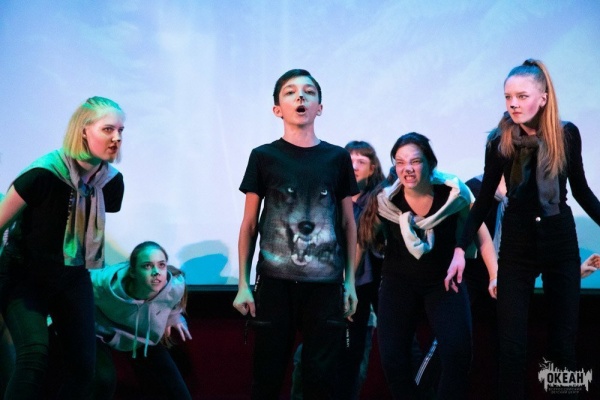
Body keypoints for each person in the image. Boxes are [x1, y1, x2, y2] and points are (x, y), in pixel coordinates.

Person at [447, 59, 600, 400]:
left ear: (543, 98)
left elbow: (581, 190)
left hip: (559, 239)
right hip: (517, 245)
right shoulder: (499, 140)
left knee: (563, 346)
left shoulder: (566, 134)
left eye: (521, 96)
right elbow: (483, 200)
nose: (513, 103)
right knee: (512, 347)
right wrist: (459, 248)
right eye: (508, 97)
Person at [232, 69, 359, 399]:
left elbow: (348, 224)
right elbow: (249, 224)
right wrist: (243, 284)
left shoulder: (337, 157)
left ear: (320, 107)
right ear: (277, 109)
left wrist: (349, 282)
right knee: (267, 376)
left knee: (322, 380)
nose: (300, 96)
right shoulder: (264, 156)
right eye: (290, 92)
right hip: (275, 283)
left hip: (325, 285)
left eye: (309, 91)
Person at [0, 96, 125, 399]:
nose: (117, 138)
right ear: (83, 130)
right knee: (33, 356)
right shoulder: (43, 174)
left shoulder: (111, 182)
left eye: (121, 130)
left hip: (71, 276)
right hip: (23, 275)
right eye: (108, 129)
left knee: (85, 369)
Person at [359, 132, 498, 399]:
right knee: (393, 358)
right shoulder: (387, 200)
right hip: (398, 282)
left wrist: (494, 274)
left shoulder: (453, 192)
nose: (407, 169)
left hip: (443, 281)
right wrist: (348, 283)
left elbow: (480, 233)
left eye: (415, 161)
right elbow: (362, 239)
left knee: (458, 352)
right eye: (400, 162)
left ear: (430, 163)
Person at [91, 241, 192, 400]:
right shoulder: (103, 283)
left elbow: (175, 301)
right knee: (104, 380)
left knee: (176, 390)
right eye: (147, 266)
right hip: (99, 331)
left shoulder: (175, 286)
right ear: (132, 272)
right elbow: (74, 290)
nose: (156, 272)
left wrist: (173, 316)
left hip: (141, 336)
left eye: (161, 265)